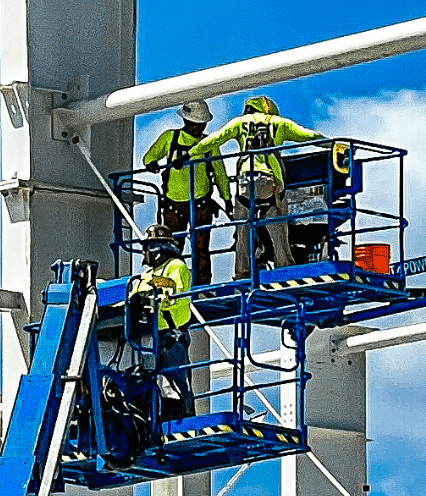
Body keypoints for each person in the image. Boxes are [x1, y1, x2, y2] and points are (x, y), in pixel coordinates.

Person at [198, 95, 326, 269]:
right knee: (278, 227)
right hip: (268, 183)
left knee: (242, 230)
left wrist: (187, 155)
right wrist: (332, 145)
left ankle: (242, 271)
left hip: (244, 184)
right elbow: (309, 135)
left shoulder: (239, 123)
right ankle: (283, 264)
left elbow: (213, 139)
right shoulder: (278, 123)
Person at [141, 100, 225, 281]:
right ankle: (169, 283)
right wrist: (152, 164)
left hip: (201, 203)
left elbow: (220, 172)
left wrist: (227, 198)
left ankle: (202, 286)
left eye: (200, 125)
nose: (197, 128)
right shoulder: (170, 138)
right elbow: (149, 157)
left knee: (201, 248)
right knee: (172, 247)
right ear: (186, 121)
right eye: (194, 124)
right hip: (174, 205)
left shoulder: (209, 144)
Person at [132, 227, 197, 418]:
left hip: (172, 334)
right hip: (151, 334)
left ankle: (180, 418)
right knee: (150, 379)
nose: (145, 254)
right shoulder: (148, 273)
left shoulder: (176, 266)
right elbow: (135, 292)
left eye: (148, 248)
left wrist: (154, 286)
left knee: (174, 380)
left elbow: (174, 294)